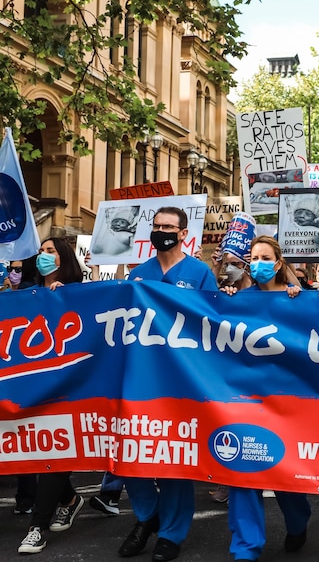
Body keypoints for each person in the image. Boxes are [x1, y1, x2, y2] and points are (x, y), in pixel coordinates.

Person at [117, 206, 218, 562]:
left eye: (168, 227)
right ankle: (147, 517)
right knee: (132, 455)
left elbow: (213, 323)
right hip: (140, 381)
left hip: (180, 381)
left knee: (174, 456)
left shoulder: (200, 272)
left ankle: (171, 533)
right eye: (156, 226)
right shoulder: (138, 275)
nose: (161, 231)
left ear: (183, 233)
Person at [221, 235, 311, 562]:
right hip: (245, 403)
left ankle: (298, 521)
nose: (257, 263)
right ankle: (246, 548)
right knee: (242, 474)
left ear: (277, 263)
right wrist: (225, 299)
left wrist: (303, 299)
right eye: (253, 257)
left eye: (264, 257)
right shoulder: (238, 300)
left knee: (285, 473)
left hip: (288, 403)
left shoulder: (297, 299)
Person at [17, 237, 86, 554]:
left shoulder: (80, 294)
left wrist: (66, 301)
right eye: (41, 251)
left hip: (70, 389)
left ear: (65, 258)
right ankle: (70, 499)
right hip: (34, 388)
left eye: (51, 251)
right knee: (38, 454)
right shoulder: (26, 294)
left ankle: (36, 527)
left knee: (55, 454)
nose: (43, 256)